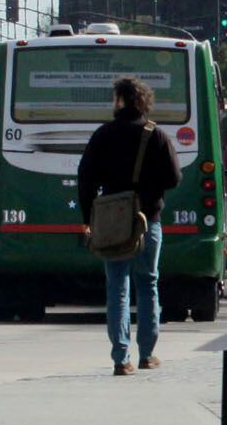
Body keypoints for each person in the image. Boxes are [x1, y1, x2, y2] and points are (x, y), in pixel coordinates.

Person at [75, 75, 178, 375]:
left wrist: (87, 219)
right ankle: (147, 354)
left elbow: (86, 178)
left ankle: (121, 358)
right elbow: (173, 178)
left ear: (117, 101)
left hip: (112, 221)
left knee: (117, 287)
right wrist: (150, 190)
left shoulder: (103, 135)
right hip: (148, 220)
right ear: (144, 101)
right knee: (148, 283)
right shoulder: (155, 135)